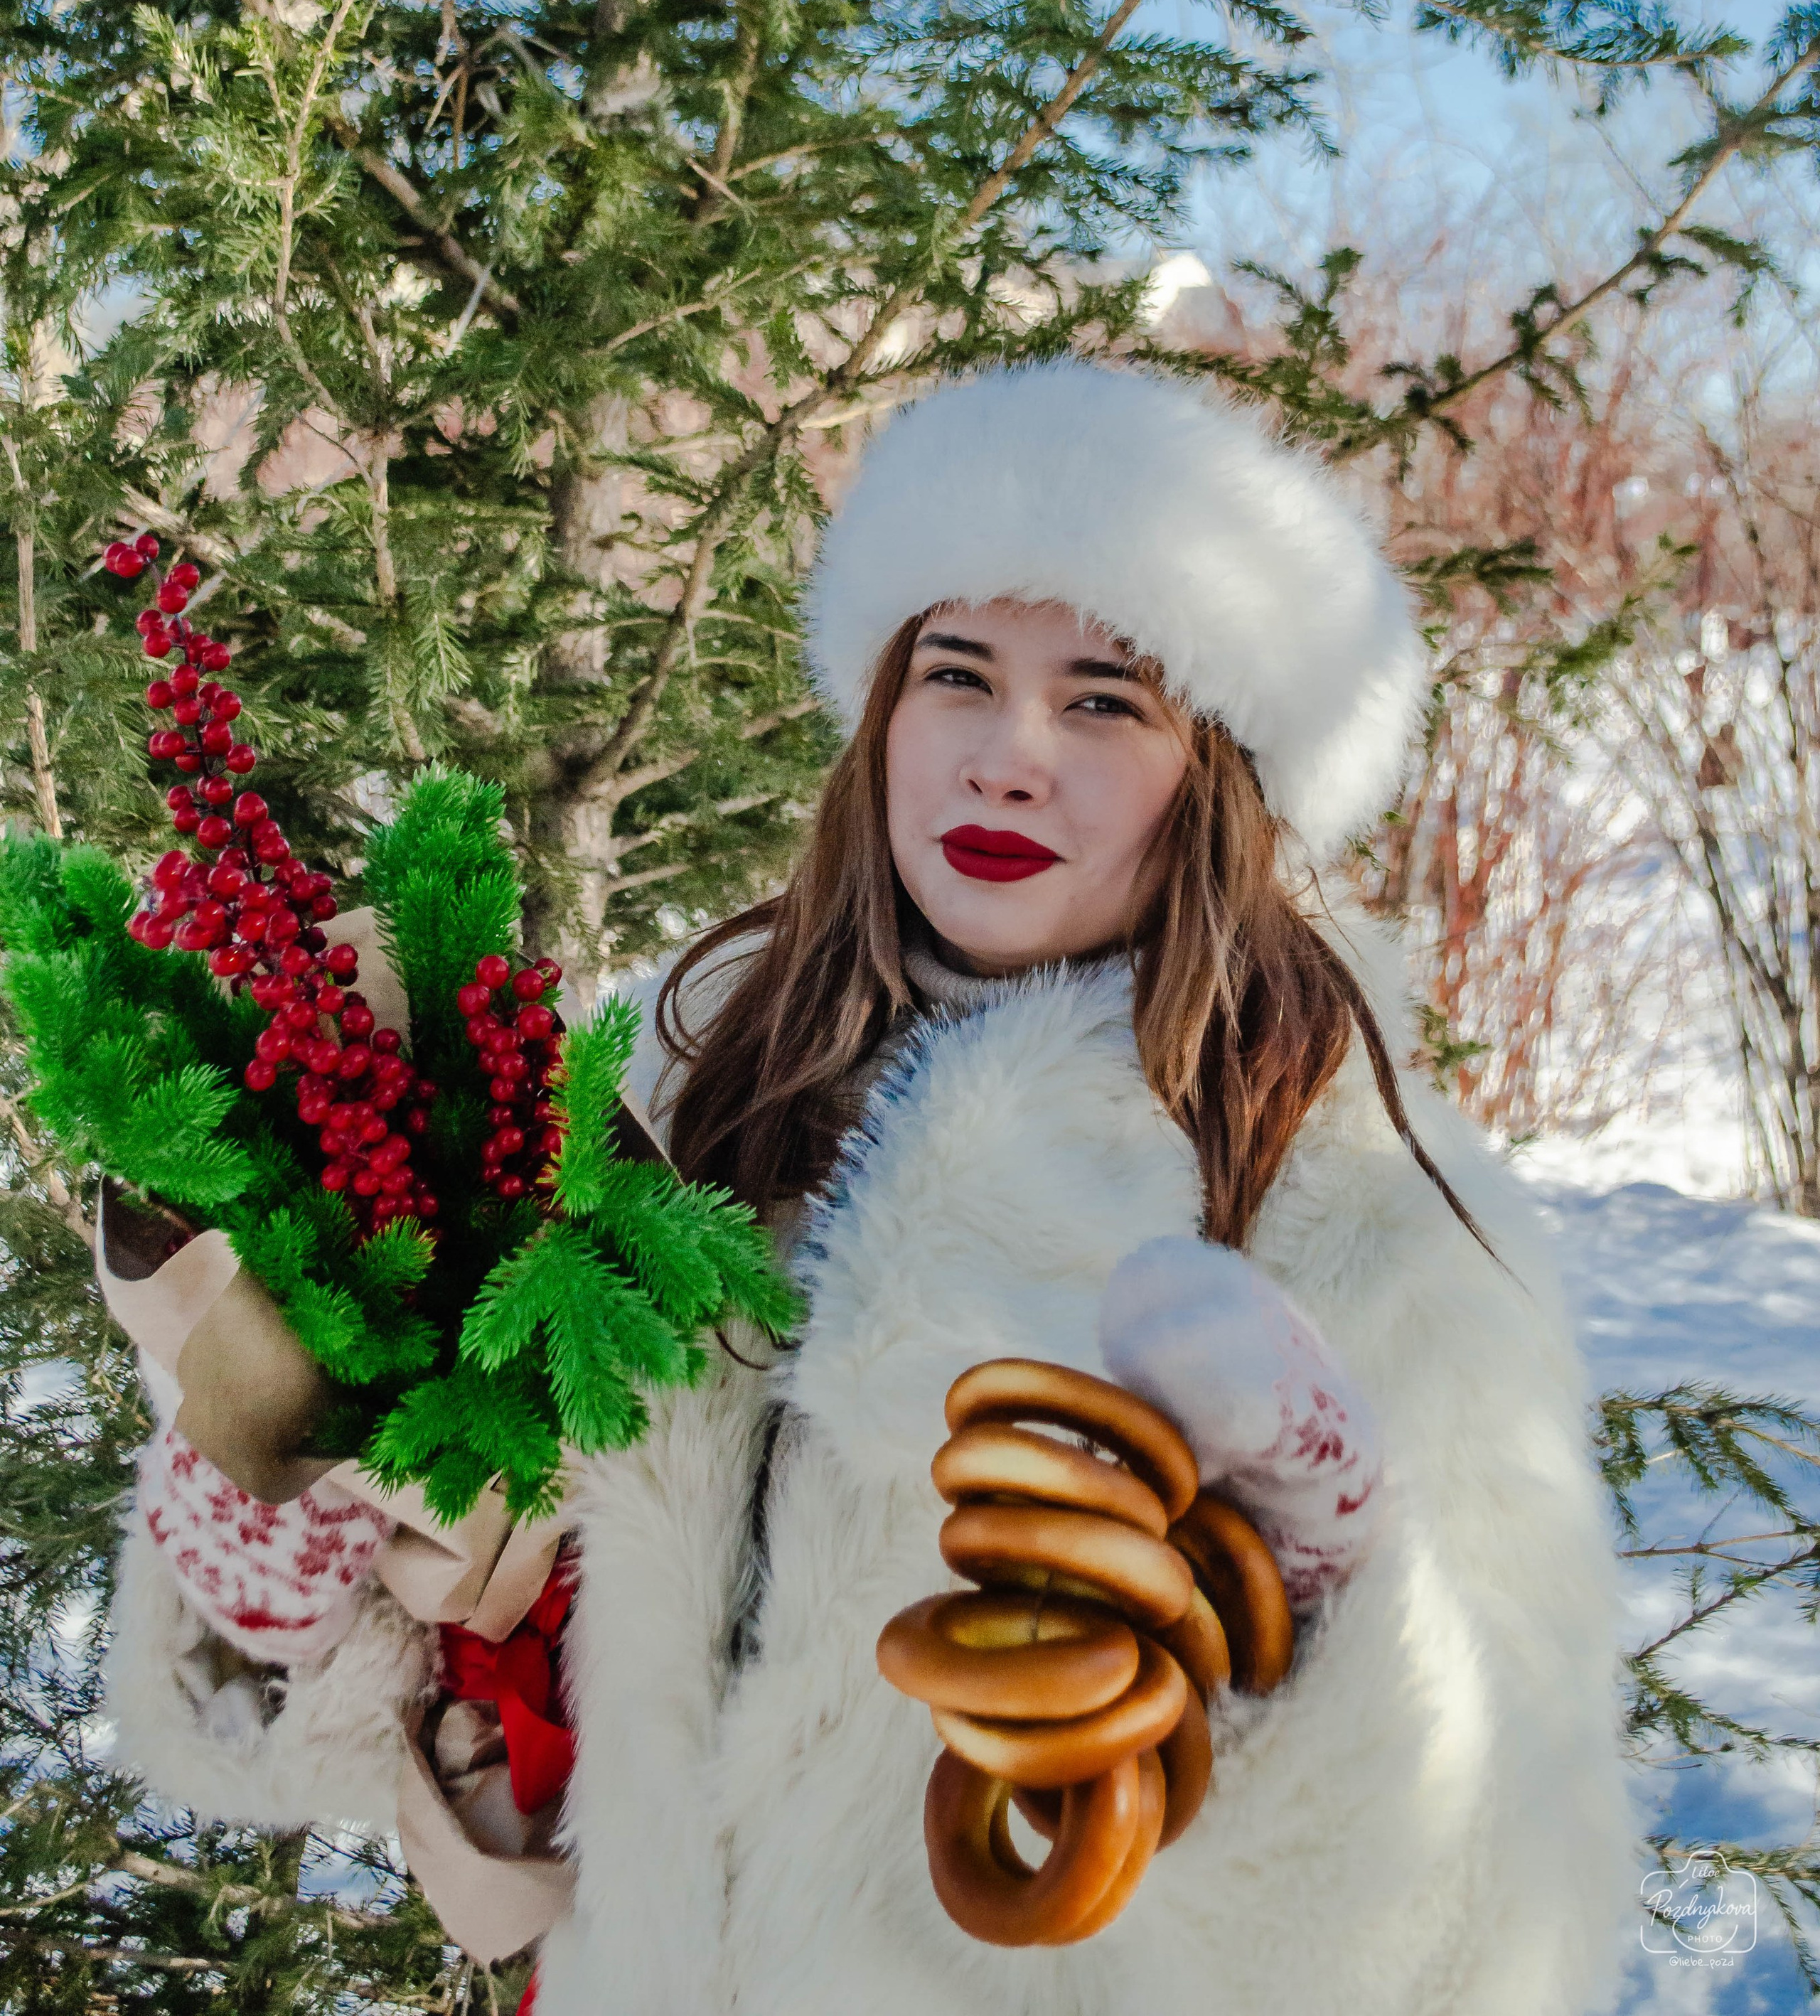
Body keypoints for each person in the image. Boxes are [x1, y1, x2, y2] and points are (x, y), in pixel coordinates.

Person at [107, 362, 1634, 2016]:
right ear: (881, 714)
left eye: (1106, 700)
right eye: (956, 676)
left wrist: (1317, 1605)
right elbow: (482, 1612)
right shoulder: (687, 1085)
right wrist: (297, 1510)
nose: (1004, 757)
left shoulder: (1345, 1205)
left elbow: (1501, 1928)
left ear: (1221, 773)